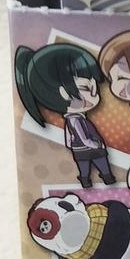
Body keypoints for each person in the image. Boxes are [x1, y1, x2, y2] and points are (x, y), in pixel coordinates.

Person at [15, 42, 114, 187]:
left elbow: (69, 137)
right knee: (99, 163)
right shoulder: (76, 120)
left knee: (84, 167)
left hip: (79, 151)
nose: (94, 96)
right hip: (89, 149)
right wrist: (94, 144)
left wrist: (71, 146)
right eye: (86, 88)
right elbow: (82, 136)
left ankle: (88, 180)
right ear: (64, 93)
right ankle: (105, 178)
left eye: (95, 89)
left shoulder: (72, 119)